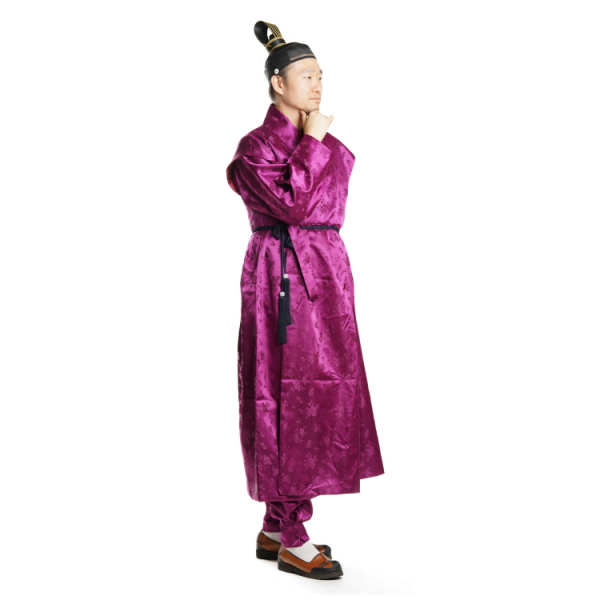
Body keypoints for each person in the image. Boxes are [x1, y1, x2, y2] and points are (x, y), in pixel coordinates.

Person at [225, 21, 385, 580]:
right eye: (306, 75)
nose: (317, 84)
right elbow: (292, 206)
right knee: (283, 394)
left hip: (328, 277)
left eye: (321, 75)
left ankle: (276, 525)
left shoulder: (324, 141)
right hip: (282, 280)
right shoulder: (256, 148)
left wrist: (316, 142)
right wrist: (313, 141)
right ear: (278, 82)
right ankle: (293, 537)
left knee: (324, 391)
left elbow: (327, 207)